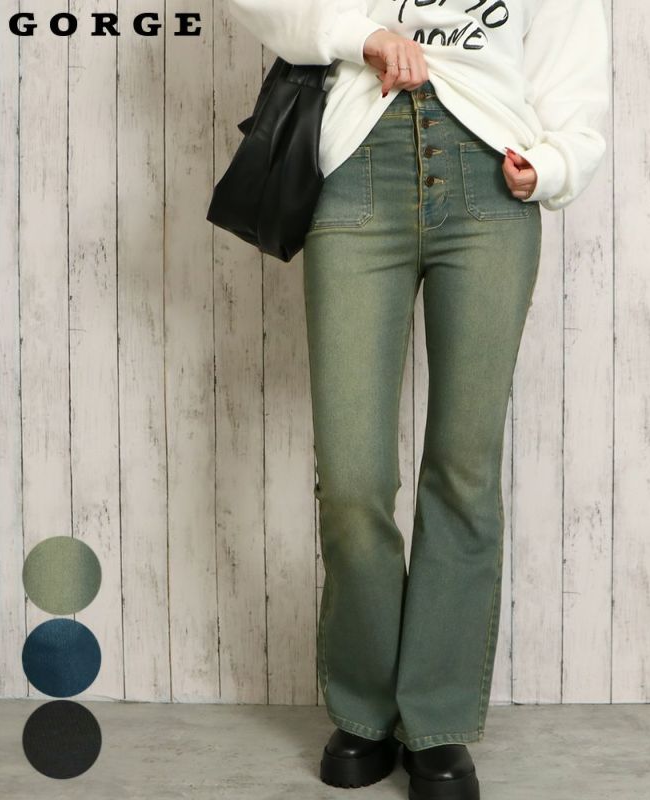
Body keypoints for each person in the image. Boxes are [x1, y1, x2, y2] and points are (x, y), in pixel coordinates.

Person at [226, 1, 610, 798]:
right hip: (359, 180)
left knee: (463, 471)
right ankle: (363, 708)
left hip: (491, 189)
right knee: (354, 477)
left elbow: (571, 59)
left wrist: (555, 161)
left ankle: (436, 719)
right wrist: (361, 35)